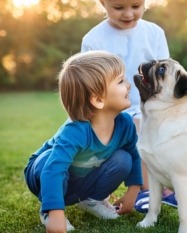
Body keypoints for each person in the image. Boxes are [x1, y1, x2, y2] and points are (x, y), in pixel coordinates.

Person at [81, 0, 177, 213]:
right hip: (111, 111)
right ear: (102, 2)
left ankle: (167, 187)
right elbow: (90, 86)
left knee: (166, 130)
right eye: (118, 7)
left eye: (136, 5)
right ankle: (145, 190)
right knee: (136, 129)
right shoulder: (94, 39)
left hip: (149, 105)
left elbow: (164, 74)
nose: (128, 13)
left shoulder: (154, 33)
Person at [24, 51, 142, 232]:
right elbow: (53, 170)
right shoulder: (75, 131)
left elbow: (134, 157)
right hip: (44, 175)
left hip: (82, 179)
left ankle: (92, 200)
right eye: (120, 81)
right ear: (98, 99)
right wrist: (56, 213)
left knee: (123, 158)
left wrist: (132, 192)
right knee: (50, 161)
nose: (128, 85)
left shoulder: (125, 124)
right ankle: (49, 211)